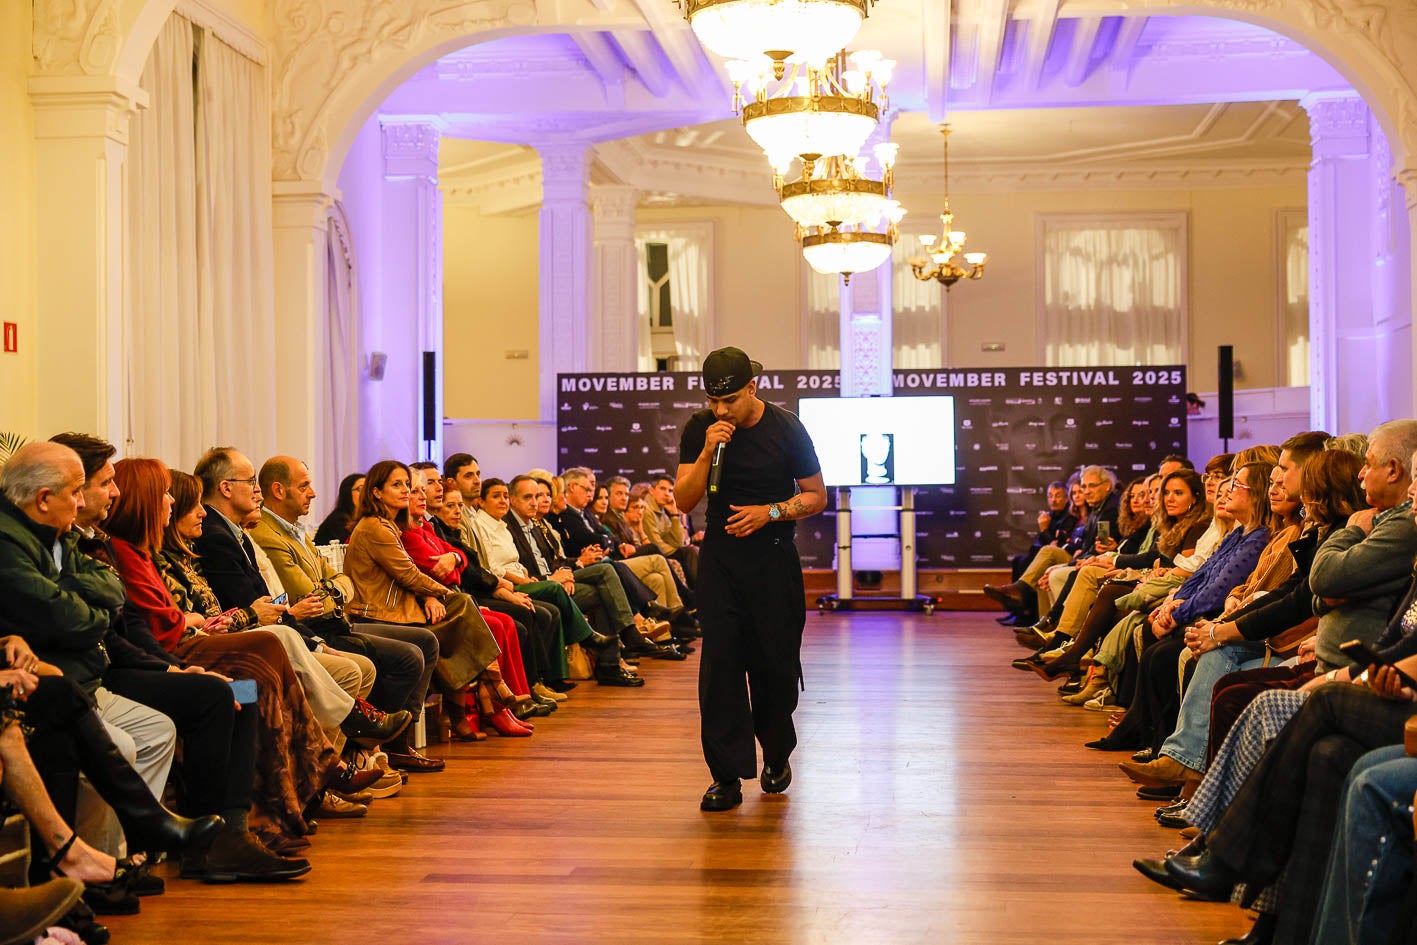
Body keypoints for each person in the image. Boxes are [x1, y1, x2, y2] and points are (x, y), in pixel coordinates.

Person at [675, 346, 826, 812]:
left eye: (731, 400)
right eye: (714, 401)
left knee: (774, 667)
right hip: (720, 561)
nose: (722, 410)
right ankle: (725, 775)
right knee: (719, 669)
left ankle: (777, 752)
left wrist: (770, 512)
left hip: (773, 559)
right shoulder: (701, 429)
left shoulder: (786, 428)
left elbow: (817, 496)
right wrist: (705, 452)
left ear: (753, 388)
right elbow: (683, 499)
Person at [252, 456, 443, 772]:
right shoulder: (267, 533)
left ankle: (384, 744)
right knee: (402, 656)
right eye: (305, 486)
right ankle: (357, 752)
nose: (313, 493)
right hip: (326, 625)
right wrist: (442, 591)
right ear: (278, 490)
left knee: (425, 641)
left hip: (333, 621)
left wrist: (332, 590)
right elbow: (307, 594)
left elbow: (342, 582)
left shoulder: (294, 530)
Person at [313, 473, 364, 546]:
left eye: (368, 489)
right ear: (347, 493)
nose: (365, 493)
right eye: (361, 489)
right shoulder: (338, 520)